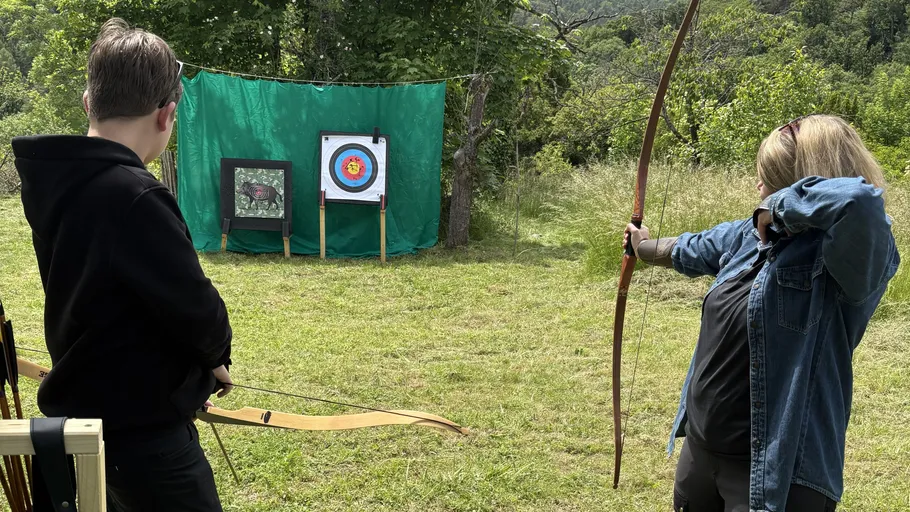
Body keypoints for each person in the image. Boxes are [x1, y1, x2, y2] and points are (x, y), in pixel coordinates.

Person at [624, 115, 899, 512]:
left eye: (766, 177)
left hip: (777, 477)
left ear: (799, 180)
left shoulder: (849, 257)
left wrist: (777, 206)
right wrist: (642, 246)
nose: (758, 187)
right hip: (702, 456)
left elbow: (858, 202)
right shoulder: (748, 237)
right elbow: (691, 248)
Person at [12, 18, 233, 512]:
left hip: (90, 422)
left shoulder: (61, 184)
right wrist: (217, 356)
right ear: (166, 113)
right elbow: (194, 307)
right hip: (143, 435)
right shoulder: (133, 195)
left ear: (89, 103)